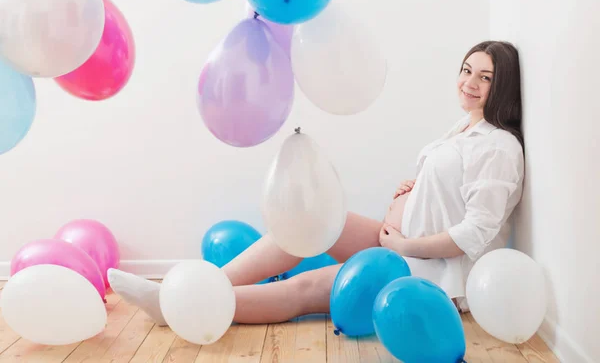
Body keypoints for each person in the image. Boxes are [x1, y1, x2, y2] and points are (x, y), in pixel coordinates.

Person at [107, 40, 525, 326]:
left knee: (304, 288)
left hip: (427, 272)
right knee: (306, 225)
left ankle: (177, 306)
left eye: (484, 77)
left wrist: (404, 245)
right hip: (398, 241)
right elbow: (450, 189)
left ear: (501, 84)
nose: (469, 82)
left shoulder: (500, 146)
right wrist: (414, 188)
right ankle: (201, 286)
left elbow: (474, 232)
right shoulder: (463, 129)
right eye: (466, 70)